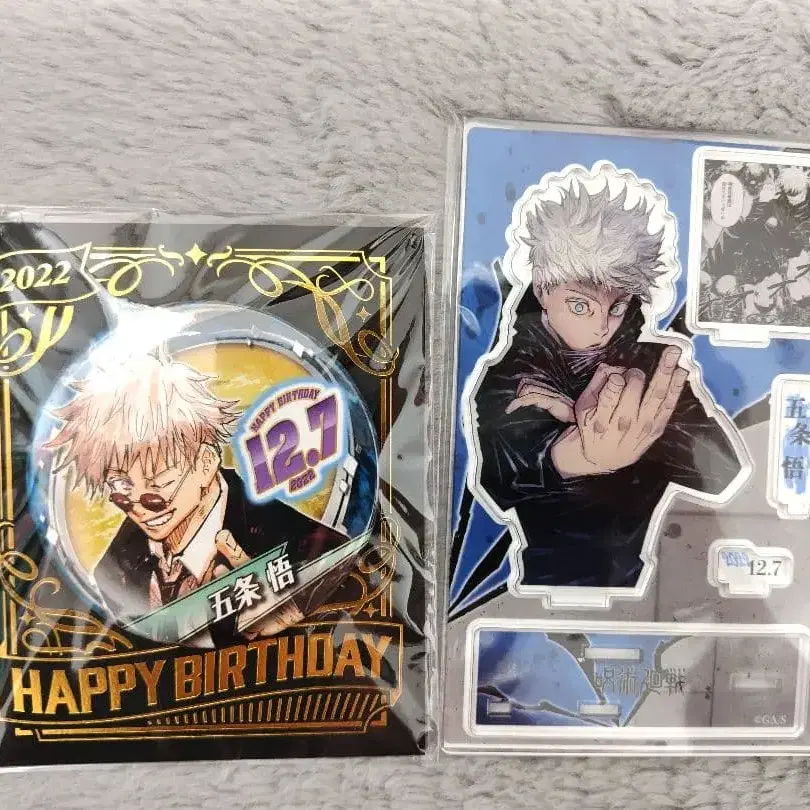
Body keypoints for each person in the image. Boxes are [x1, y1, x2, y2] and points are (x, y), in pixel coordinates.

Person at [473, 178, 744, 589]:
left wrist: (630, 429)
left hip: (640, 575)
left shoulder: (650, 365)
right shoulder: (513, 371)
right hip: (535, 575)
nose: (602, 326)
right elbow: (496, 472)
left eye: (616, 307)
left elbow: (722, 471)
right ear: (543, 290)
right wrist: (578, 454)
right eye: (580, 306)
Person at [44, 352, 347, 633]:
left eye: (158, 481)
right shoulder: (112, 571)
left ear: (205, 463)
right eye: (121, 485)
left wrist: (295, 615)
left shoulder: (306, 547)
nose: (139, 505)